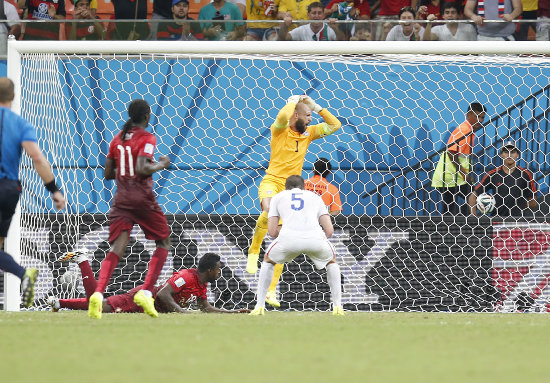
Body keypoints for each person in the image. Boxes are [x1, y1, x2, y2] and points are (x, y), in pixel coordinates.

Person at [246, 94, 342, 309]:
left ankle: (271, 290)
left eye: (311, 116)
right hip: (272, 181)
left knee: (283, 235)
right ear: (295, 115)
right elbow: (282, 116)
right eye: (307, 115)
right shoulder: (279, 130)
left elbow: (335, 125)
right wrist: (293, 100)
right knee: (268, 209)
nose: (310, 119)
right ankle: (253, 252)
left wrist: (315, 106)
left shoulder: (309, 134)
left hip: (290, 188)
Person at [88, 99, 171, 320]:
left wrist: (123, 169)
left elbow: (107, 174)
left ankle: (98, 292)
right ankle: (146, 290)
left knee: (117, 247)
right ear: (146, 117)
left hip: (121, 200)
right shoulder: (148, 138)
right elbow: (143, 168)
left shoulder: (117, 139)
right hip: (142, 199)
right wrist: (162, 164)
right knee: (163, 241)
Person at [0, 77, 66, 308]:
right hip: (9, 190)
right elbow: (37, 157)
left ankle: (23, 273)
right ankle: (23, 274)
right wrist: (54, 190)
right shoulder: (21, 124)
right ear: (13, 97)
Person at [249, 175, 344, 316]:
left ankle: (259, 306)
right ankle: (338, 307)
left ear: (286, 187)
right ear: (303, 187)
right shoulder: (315, 197)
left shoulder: (278, 197)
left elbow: (272, 232)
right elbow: (329, 230)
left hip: (288, 239)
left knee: (268, 260)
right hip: (315, 238)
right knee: (331, 261)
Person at [49, 252, 249, 314]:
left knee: (101, 306)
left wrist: (232, 313)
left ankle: (60, 303)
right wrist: (180, 311)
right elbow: (163, 293)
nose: (220, 272)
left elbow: (205, 308)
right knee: (99, 307)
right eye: (219, 269)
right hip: (144, 298)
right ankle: (83, 261)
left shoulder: (201, 285)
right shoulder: (187, 277)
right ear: (210, 270)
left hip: (150, 308)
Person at [431, 102, 487, 215]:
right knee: (472, 198)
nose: (480, 120)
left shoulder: (470, 130)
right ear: (469, 115)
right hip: (450, 177)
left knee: (453, 208)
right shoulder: (464, 129)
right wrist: (464, 173)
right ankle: (469, 224)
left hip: (455, 177)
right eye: (478, 116)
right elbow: (452, 152)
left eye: (482, 117)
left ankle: (461, 224)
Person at [468, 141, 537, 216]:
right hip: (497, 221)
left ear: (517, 155)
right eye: (506, 152)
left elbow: (533, 202)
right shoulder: (493, 174)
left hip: (517, 222)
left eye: (513, 152)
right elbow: (473, 195)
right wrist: (474, 217)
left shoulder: (525, 174)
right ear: (501, 155)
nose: (509, 155)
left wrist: (519, 207)